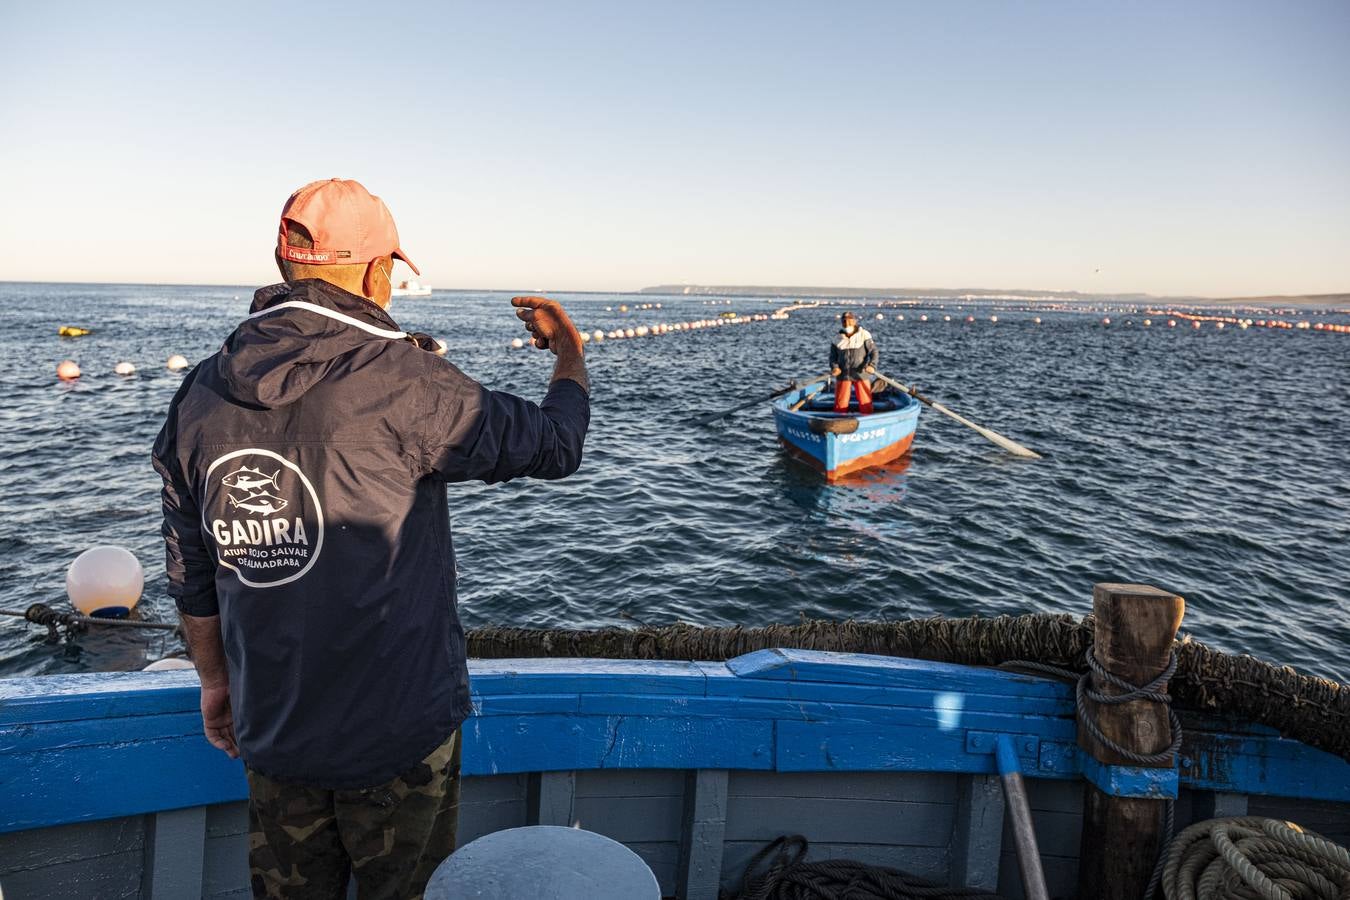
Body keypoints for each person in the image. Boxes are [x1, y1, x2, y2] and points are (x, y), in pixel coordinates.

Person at [152, 178, 590, 900]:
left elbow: (191, 569)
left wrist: (214, 681)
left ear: (283, 258)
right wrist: (566, 348)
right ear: (377, 271)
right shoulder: (409, 383)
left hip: (273, 727)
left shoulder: (198, 393)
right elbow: (556, 445)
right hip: (399, 733)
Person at [829, 311, 878, 414]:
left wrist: (872, 365)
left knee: (866, 402)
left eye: (849, 321)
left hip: (860, 373)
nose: (847, 324)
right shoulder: (836, 338)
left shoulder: (864, 334)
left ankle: (867, 420)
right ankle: (839, 422)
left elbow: (873, 352)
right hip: (843, 374)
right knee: (840, 404)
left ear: (854, 321)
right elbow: (833, 357)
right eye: (844, 321)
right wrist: (834, 367)